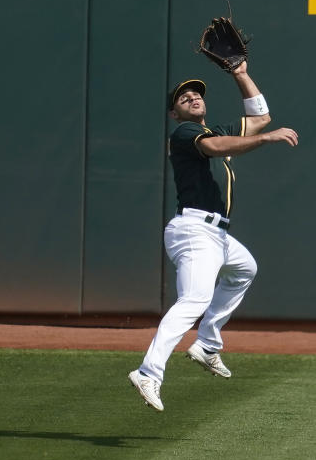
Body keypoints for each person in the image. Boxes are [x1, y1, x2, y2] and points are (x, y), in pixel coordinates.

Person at [128, 60, 298, 411]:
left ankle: (206, 345)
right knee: (193, 301)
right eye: (182, 97)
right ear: (174, 113)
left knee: (245, 269)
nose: (191, 97)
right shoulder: (185, 134)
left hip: (216, 235)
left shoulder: (216, 131)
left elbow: (260, 116)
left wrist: (241, 74)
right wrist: (265, 139)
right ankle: (148, 372)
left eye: (196, 94)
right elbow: (221, 148)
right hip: (193, 230)